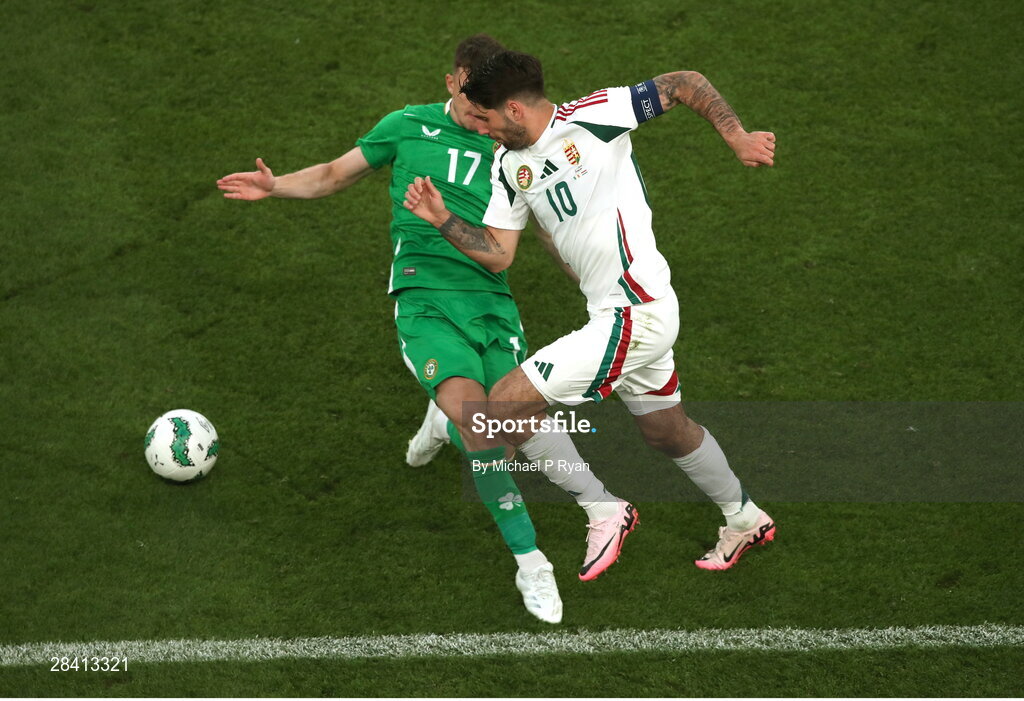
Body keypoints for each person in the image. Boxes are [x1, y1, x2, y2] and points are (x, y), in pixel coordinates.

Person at [216, 37, 563, 623]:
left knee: (505, 433)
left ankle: (441, 420)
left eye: (491, 102)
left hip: (492, 303)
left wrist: (592, 275)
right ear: (453, 81)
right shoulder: (406, 126)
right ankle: (532, 562)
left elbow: (547, 224)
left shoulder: (512, 142)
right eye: (473, 97)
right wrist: (275, 186)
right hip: (425, 299)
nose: (481, 111)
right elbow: (333, 175)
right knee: (482, 431)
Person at [403, 50, 777, 582]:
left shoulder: (594, 115)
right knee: (667, 432)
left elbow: (683, 82)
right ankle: (744, 517)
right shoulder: (507, 164)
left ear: (514, 109)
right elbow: (498, 251)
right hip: (619, 313)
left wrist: (736, 137)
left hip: (636, 313)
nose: (479, 128)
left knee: (502, 407)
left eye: (484, 118)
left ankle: (604, 510)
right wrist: (442, 218)